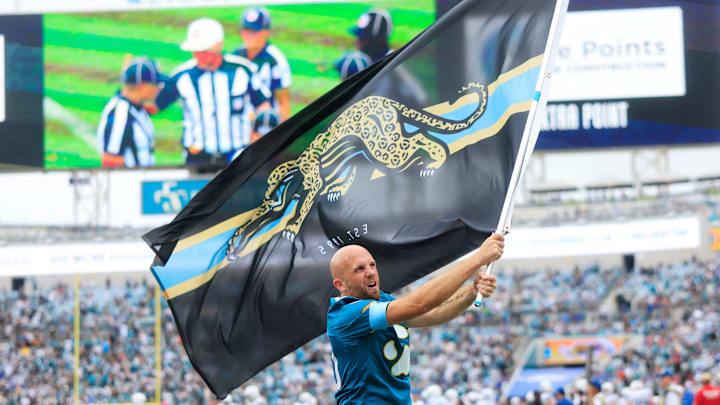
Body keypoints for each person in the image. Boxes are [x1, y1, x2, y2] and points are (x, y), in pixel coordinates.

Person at [326, 233, 503, 404]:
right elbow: (420, 304)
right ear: (340, 284)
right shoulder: (346, 313)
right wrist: (478, 258)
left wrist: (471, 291)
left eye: (372, 265)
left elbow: (434, 313)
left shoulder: (383, 302)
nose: (371, 272)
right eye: (359, 269)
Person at [154, 18, 271, 165]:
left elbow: (264, 105)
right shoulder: (181, 76)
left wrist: (259, 134)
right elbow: (155, 105)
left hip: (238, 154)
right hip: (197, 158)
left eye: (204, 50)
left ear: (219, 45)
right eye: (196, 51)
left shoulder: (242, 70)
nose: (199, 55)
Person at [97, 57, 164, 168]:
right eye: (157, 84)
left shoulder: (136, 106)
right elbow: (111, 166)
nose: (159, 89)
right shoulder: (120, 118)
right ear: (143, 86)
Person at [234, 8, 292, 122]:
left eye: (254, 31)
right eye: (246, 29)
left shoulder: (275, 60)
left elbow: (283, 101)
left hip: (266, 125)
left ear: (266, 32)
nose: (249, 35)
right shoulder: (236, 56)